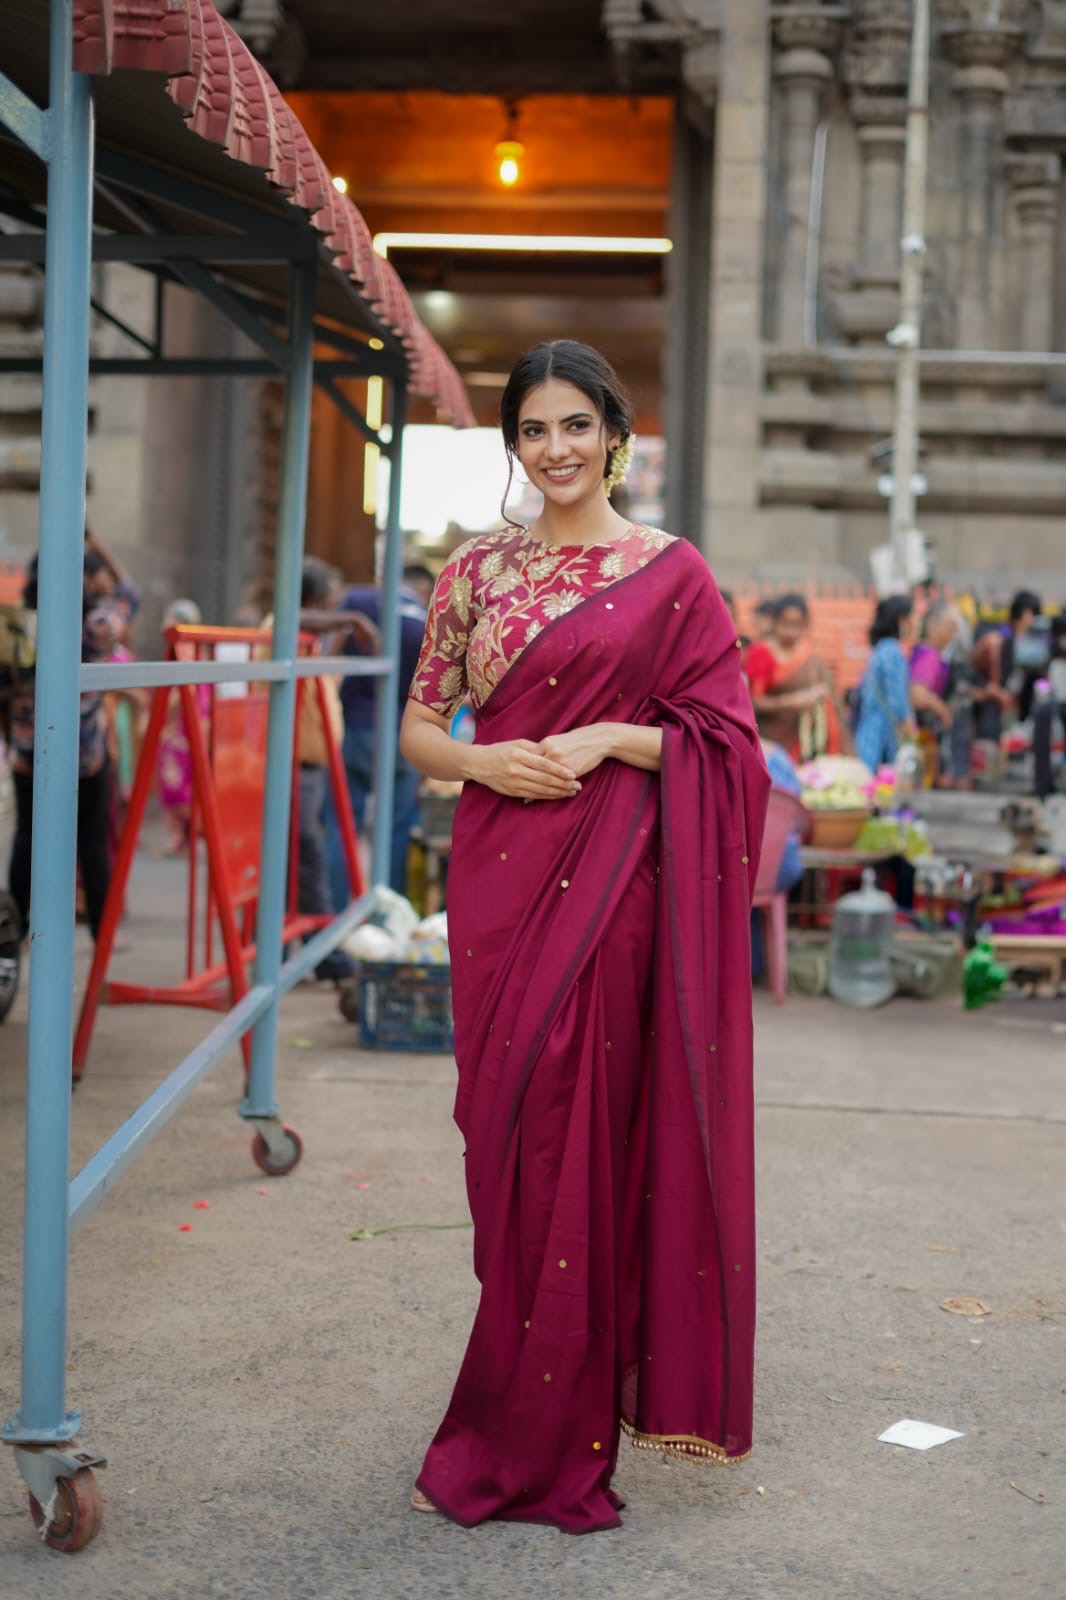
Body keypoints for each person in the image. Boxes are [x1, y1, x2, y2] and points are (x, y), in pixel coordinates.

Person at [399, 340, 770, 1534]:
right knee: (502, 1138)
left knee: (580, 1136)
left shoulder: (671, 575)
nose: (555, 450)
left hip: (611, 891)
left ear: (615, 432)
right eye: (532, 430)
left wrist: (614, 737)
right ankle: (522, 1381)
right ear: (512, 444)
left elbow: (727, 747)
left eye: (575, 426)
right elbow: (418, 726)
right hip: (500, 879)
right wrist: (478, 757)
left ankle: (548, 1422)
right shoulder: (471, 572)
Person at [1, 530, 139, 941]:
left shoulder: (17, 630)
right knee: (93, 845)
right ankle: (103, 934)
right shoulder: (95, 625)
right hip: (85, 755)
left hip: (30, 752)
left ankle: (17, 931)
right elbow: (130, 594)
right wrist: (99, 547)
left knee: (28, 838)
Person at [324, 568, 428, 903]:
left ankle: (337, 915)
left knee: (342, 826)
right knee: (395, 830)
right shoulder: (428, 620)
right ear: (423, 589)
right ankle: (388, 910)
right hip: (403, 735)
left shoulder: (360, 599)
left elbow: (328, 651)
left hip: (356, 727)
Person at [743, 593, 848, 760]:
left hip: (802, 740)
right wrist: (792, 702)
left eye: (797, 625)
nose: (791, 631)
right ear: (775, 621)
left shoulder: (808, 654)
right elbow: (753, 701)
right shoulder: (760, 653)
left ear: (805, 624)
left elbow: (829, 692)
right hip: (767, 741)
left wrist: (819, 695)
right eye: (785, 624)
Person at [853, 595, 918, 774]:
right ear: (902, 620)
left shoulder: (881, 648)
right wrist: (911, 732)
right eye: (914, 616)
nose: (917, 621)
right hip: (881, 735)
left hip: (869, 730)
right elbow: (898, 702)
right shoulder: (892, 651)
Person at [908, 601, 957, 787]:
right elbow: (918, 695)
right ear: (931, 626)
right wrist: (943, 710)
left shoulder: (927, 653)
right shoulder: (929, 656)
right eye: (950, 627)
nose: (953, 634)